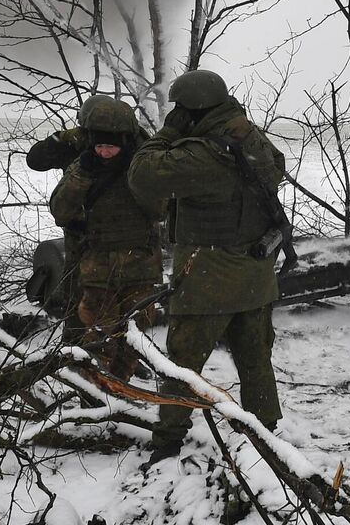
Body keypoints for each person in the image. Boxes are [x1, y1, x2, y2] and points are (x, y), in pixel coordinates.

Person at [128, 68, 287, 460]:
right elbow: (277, 166)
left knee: (181, 365)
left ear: (191, 110)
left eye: (181, 109)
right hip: (255, 274)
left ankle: (167, 442)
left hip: (206, 279)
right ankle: (265, 437)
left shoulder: (202, 155)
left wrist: (167, 132)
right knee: (255, 361)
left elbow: (142, 175)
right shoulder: (247, 136)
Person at [40, 95, 160, 380]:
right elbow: (60, 210)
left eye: (111, 146)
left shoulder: (144, 165)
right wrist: (82, 171)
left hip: (137, 264)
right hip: (94, 262)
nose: (105, 152)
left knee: (132, 330)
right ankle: (92, 384)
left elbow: (162, 209)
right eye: (100, 145)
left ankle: (115, 384)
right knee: (93, 329)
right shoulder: (84, 165)